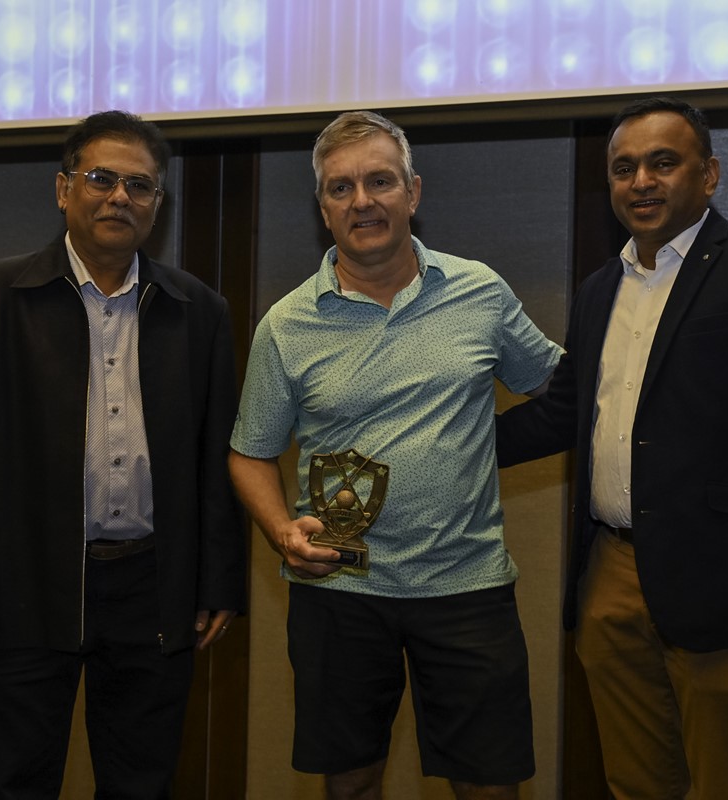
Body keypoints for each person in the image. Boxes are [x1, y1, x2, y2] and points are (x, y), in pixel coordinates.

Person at [496, 96, 728, 799]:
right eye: (624, 168)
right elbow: (566, 413)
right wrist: (442, 444)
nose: (641, 182)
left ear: (709, 174)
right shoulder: (600, 289)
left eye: (663, 163)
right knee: (635, 783)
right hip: (610, 576)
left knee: (727, 783)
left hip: (724, 588)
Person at [228, 110, 562, 800]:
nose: (363, 201)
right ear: (323, 208)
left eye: (380, 181)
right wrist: (281, 531)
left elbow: (560, 390)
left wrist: (481, 445)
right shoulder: (286, 324)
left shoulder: (479, 291)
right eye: (341, 188)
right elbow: (250, 452)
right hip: (340, 592)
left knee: (491, 786)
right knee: (350, 784)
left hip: (467, 587)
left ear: (413, 191)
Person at [0, 109, 245, 799]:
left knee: (142, 784)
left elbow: (217, 458)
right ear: (63, 188)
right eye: (101, 178)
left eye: (140, 185)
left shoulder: (199, 311)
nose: (119, 197)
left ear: (157, 203)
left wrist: (219, 580)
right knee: (13, 780)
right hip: (23, 589)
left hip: (153, 587)